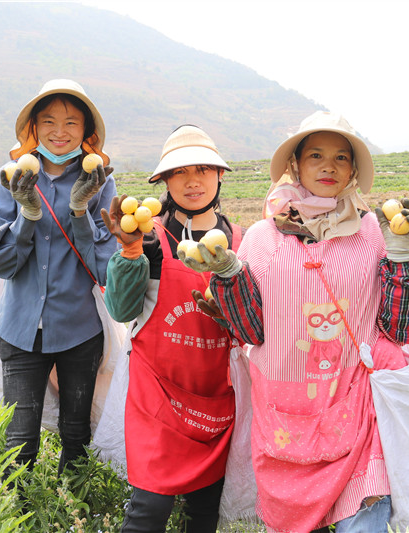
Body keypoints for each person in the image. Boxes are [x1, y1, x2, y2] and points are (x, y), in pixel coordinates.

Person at [179, 111, 409, 532]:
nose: (329, 166)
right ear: (296, 164)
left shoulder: (373, 232)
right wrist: (228, 274)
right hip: (285, 419)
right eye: (316, 155)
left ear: (353, 169)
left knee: (364, 522)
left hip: (357, 412)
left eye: (341, 157)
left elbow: (401, 330)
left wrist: (402, 256)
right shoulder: (263, 238)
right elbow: (252, 331)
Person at [100, 125, 244, 533]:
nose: (193, 180)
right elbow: (121, 309)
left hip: (216, 400)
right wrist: (130, 254)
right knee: (148, 510)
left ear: (219, 175)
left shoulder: (241, 242)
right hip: (157, 397)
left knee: (203, 513)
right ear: (164, 180)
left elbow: (254, 325)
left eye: (203, 169)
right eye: (180, 171)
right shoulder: (148, 237)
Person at [0, 79, 117, 475]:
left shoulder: (99, 182)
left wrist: (80, 211)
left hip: (79, 329)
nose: (60, 131)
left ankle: (73, 505)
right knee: (19, 440)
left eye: (71, 122)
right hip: (21, 328)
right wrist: (27, 215)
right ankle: (16, 505)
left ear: (86, 131)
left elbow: (104, 267)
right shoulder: (12, 178)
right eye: (49, 121)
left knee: (76, 434)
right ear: (33, 128)